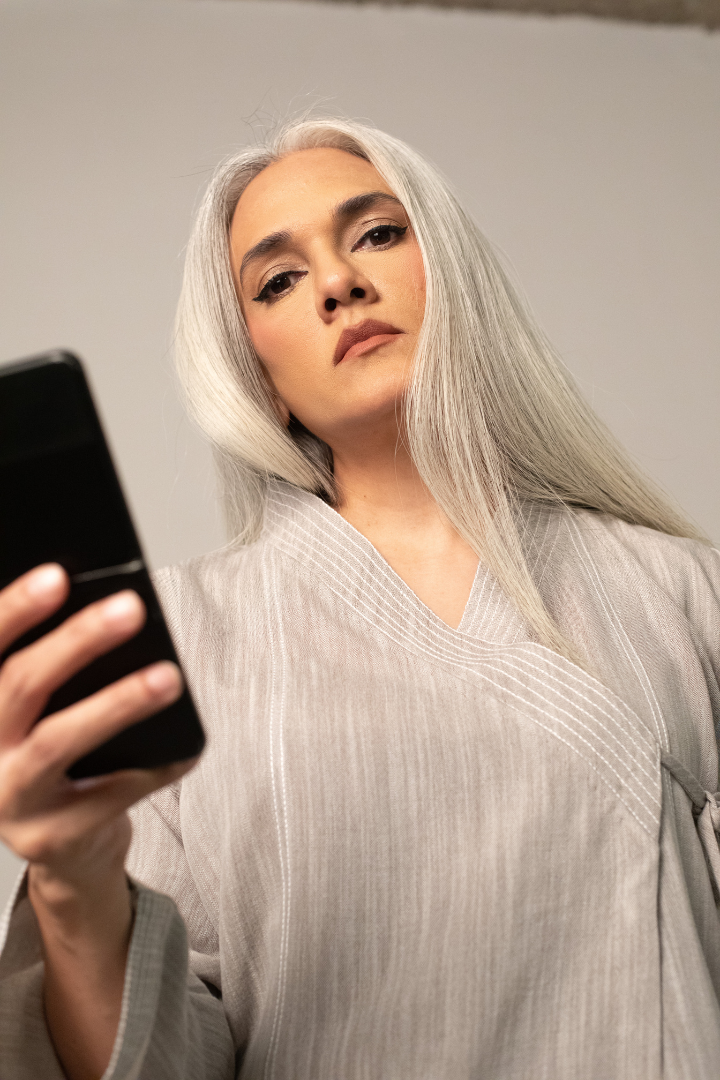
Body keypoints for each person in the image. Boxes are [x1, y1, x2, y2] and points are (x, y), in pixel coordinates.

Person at [0, 117, 719, 1080]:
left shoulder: (684, 594)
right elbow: (161, 1059)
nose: (339, 283)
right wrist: (76, 881)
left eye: (377, 233)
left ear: (451, 273)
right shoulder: (181, 646)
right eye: (278, 281)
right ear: (258, 374)